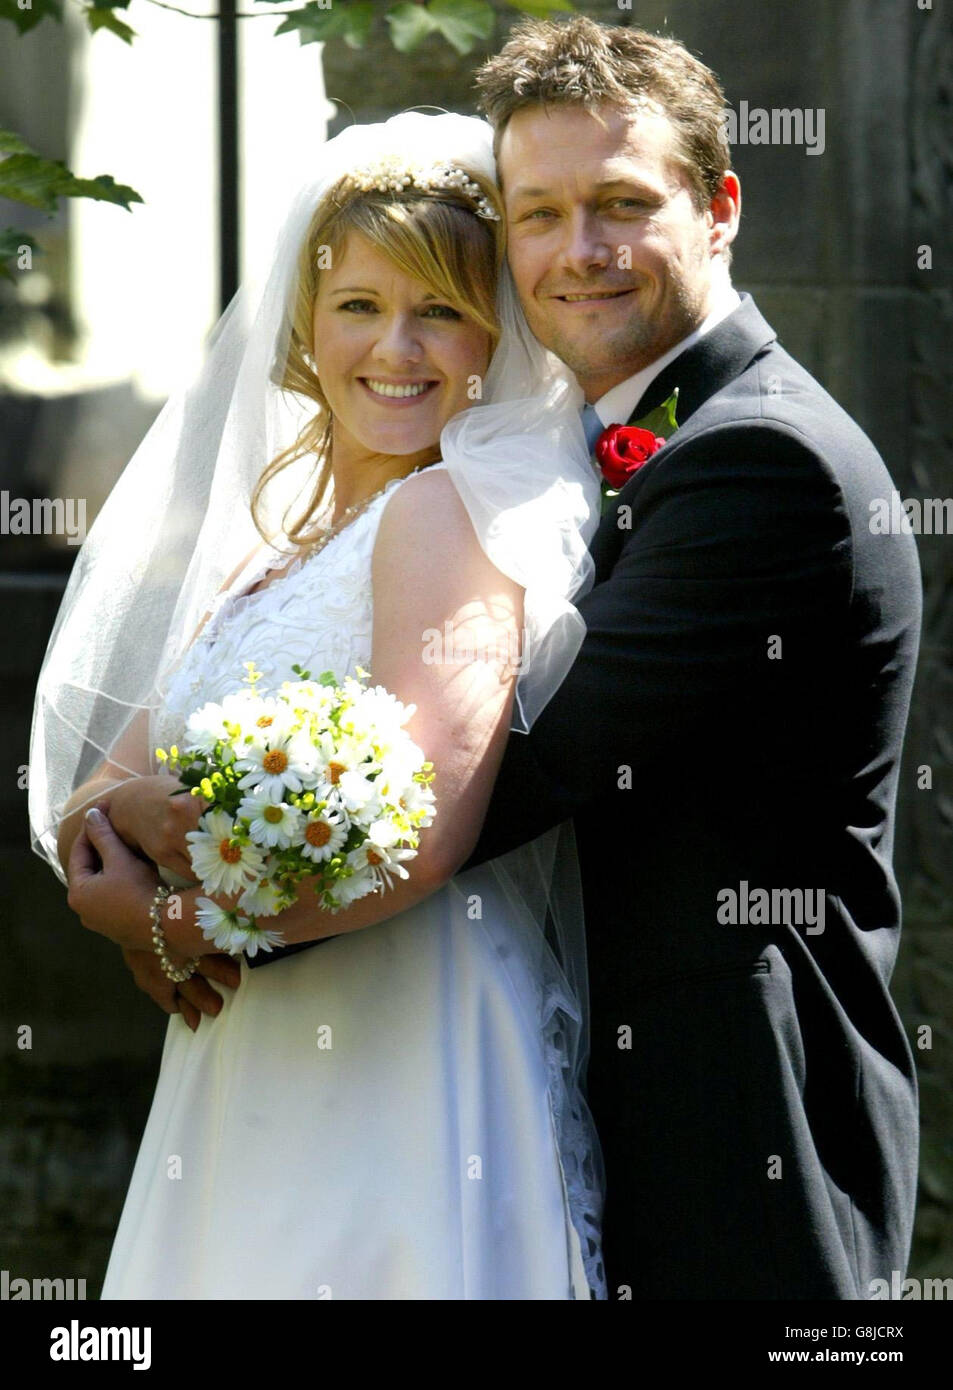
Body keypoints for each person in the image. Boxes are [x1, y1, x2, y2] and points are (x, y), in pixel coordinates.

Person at [29, 112, 606, 1300]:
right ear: (306, 324)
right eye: (360, 306)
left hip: (399, 1029)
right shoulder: (268, 555)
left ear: (492, 333)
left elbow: (419, 831)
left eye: (440, 309)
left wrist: (175, 921)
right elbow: (100, 785)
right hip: (250, 1038)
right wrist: (123, 859)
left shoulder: (446, 515)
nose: (397, 348)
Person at [463, 17, 922, 1298]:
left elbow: (532, 765)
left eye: (620, 203)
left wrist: (227, 887)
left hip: (740, 1127)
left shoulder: (757, 460)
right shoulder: (615, 438)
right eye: (538, 213)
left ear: (719, 207)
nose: (577, 252)